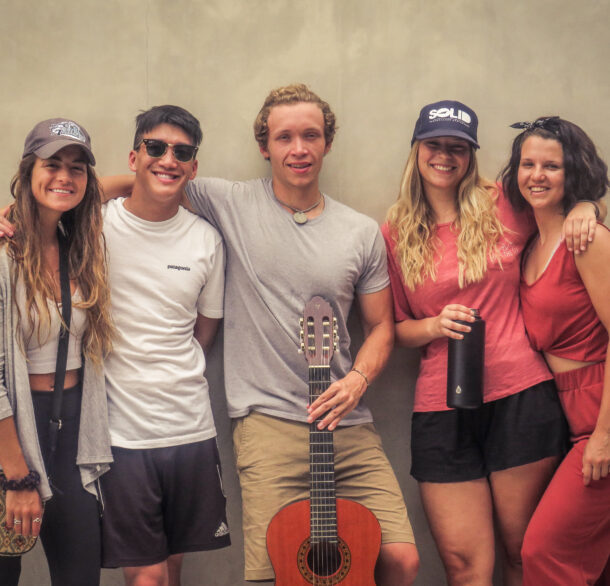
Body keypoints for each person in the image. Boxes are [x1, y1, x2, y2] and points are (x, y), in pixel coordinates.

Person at [103, 84, 419, 584]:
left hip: (348, 423)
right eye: (285, 137)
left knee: (400, 559)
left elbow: (382, 326)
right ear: (264, 145)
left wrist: (357, 380)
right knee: (276, 570)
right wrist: (42, 211)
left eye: (311, 135)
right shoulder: (226, 200)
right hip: (266, 424)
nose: (299, 149)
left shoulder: (360, 232)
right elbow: (151, 179)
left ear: (327, 143)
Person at [382, 101, 602, 586]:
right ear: (417, 150)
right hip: (441, 409)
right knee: (465, 568)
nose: (445, 156)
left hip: (522, 397)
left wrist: (589, 207)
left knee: (524, 551)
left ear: (471, 154)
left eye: (457, 147)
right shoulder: (394, 231)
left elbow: (560, 205)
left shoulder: (505, 202)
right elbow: (395, 329)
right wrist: (435, 325)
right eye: (434, 145)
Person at [98, 105, 230, 586]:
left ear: (193, 168)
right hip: (122, 437)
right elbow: (50, 195)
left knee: (174, 567)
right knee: (147, 577)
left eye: (182, 152)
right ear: (134, 156)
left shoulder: (207, 241)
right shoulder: (96, 227)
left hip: (191, 430)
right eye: (155, 147)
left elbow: (205, 332)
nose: (167, 159)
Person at [0, 118, 114, 585]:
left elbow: (132, 184)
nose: (65, 177)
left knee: (80, 574)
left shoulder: (79, 248)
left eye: (77, 168)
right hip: (9, 433)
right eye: (52, 164)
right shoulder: (4, 254)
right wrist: (17, 476)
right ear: (28, 172)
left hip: (69, 432)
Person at [501, 116, 610, 585]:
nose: (537, 175)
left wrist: (604, 436)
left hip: (600, 411)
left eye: (552, 165)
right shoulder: (530, 242)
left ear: (574, 172)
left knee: (544, 552)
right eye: (527, 164)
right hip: (567, 414)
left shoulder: (585, 240)